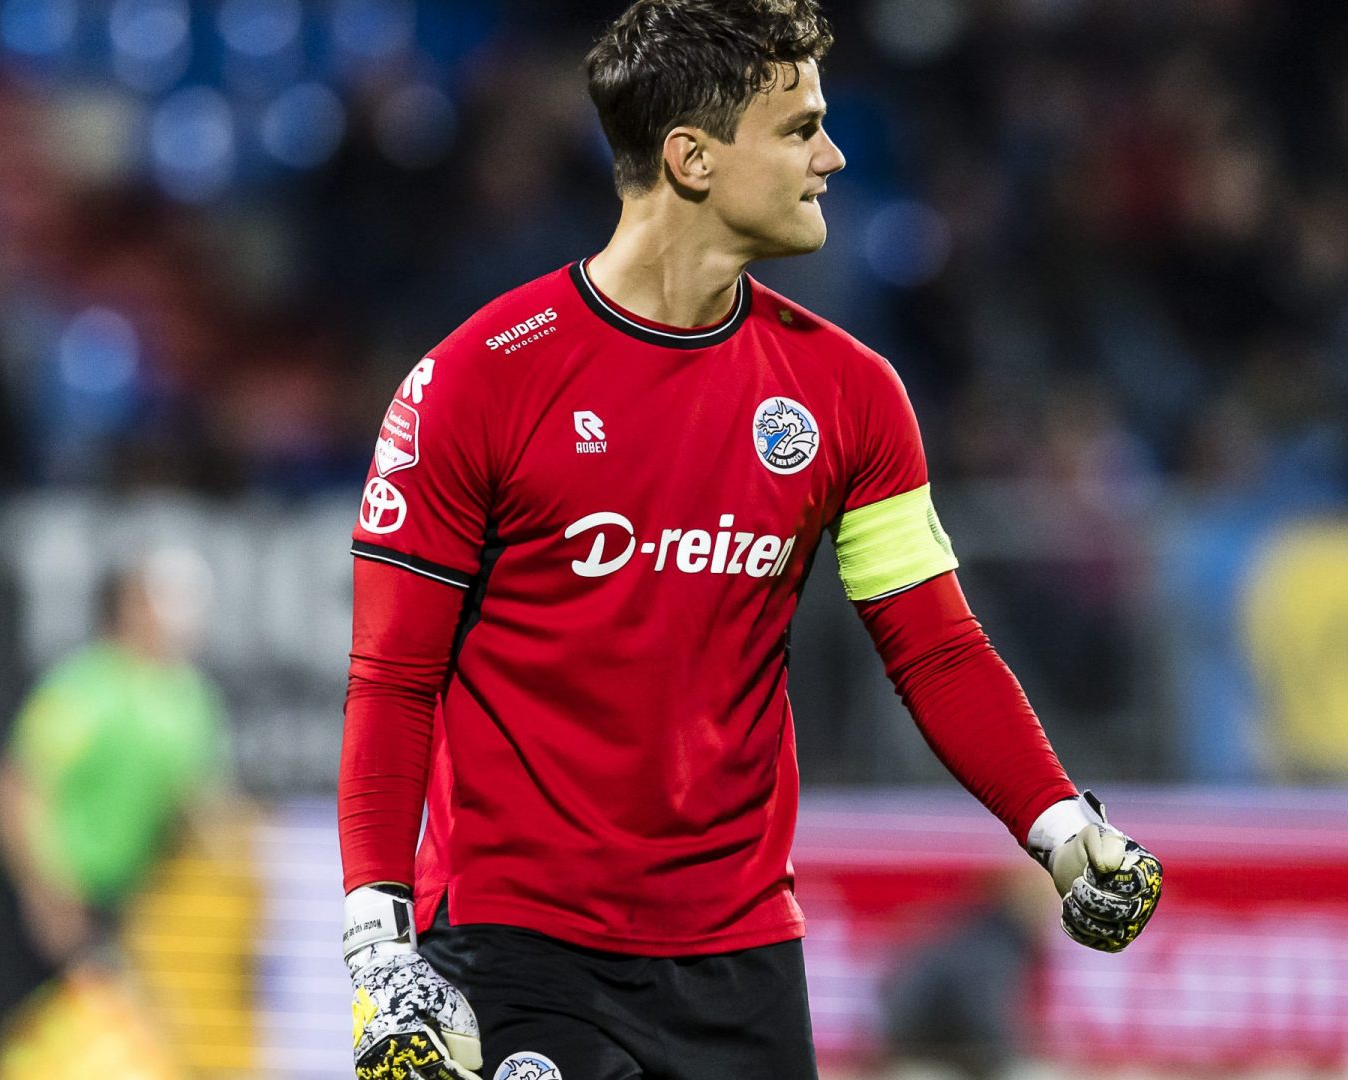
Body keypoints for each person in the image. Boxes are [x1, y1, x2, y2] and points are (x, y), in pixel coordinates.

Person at [338, 3, 1164, 1078]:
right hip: (516, 949)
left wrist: (1060, 828)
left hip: (741, 963)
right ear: (691, 158)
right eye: (798, 128)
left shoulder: (851, 395)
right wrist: (377, 944)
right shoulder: (475, 383)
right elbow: (393, 679)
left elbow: (935, 647)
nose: (834, 154)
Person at [0, 549, 232, 1078]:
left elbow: (197, 810)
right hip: (60, 898)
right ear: (130, 607)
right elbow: (15, 787)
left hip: (132, 909)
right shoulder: (85, 686)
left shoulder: (190, 699)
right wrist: (45, 889)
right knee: (37, 1042)